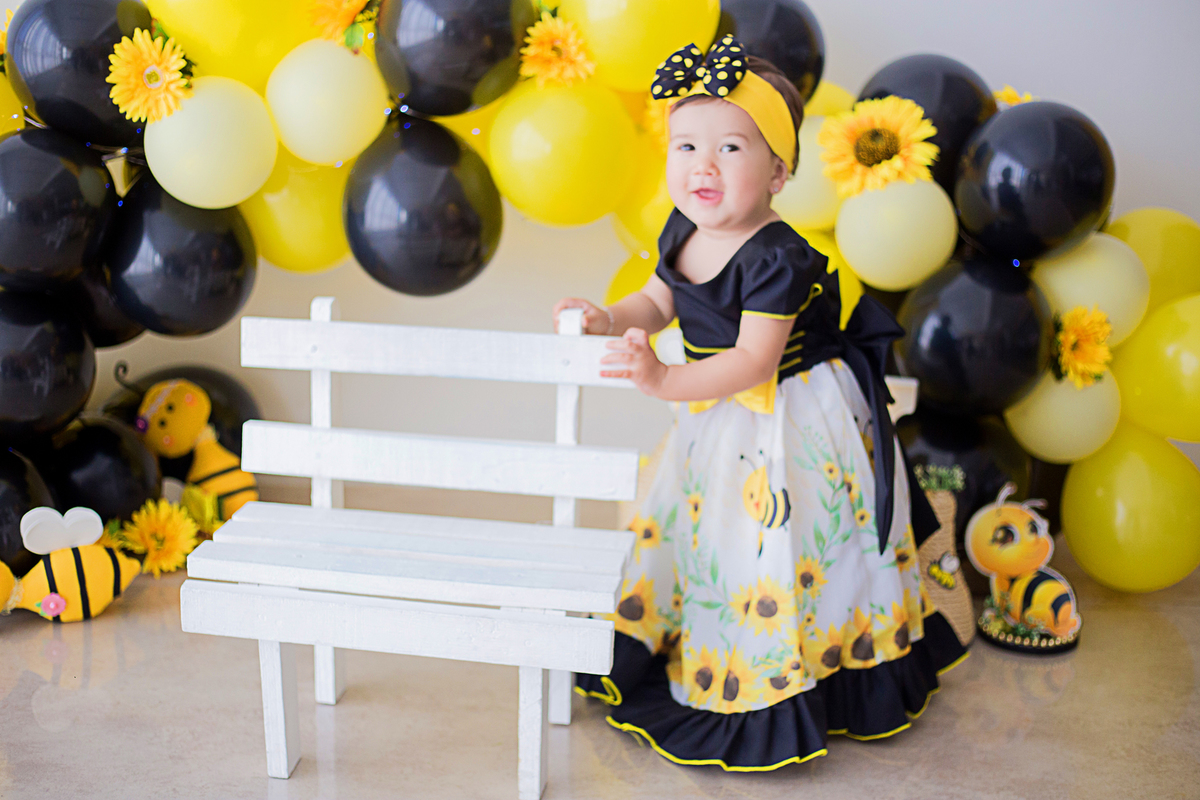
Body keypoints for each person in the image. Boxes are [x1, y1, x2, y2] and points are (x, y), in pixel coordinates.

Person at [553, 35, 967, 770]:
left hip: (789, 414)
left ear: (779, 171)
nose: (701, 166)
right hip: (718, 413)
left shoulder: (779, 255)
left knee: (787, 537)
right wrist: (610, 318)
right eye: (685, 145)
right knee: (710, 531)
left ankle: (789, 671)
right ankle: (703, 638)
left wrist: (659, 382)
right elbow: (657, 300)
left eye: (731, 149)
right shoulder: (683, 228)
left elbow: (752, 361)